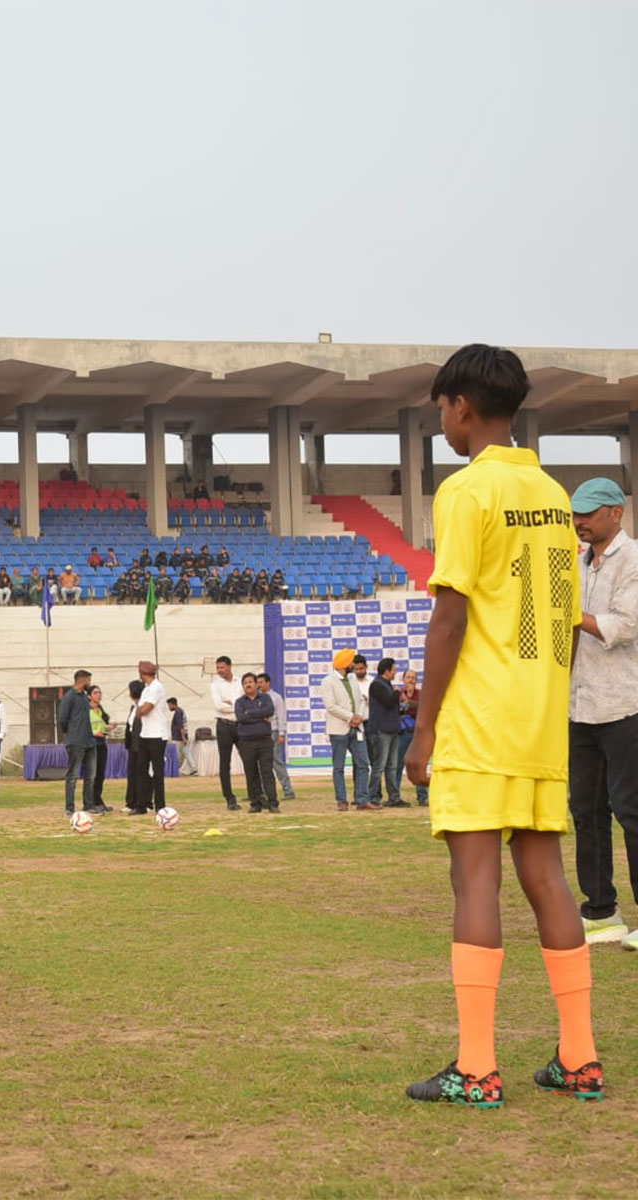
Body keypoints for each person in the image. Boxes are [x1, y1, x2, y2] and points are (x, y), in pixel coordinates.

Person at [402, 343, 601, 1107]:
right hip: (543, 712)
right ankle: (579, 1058)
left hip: (483, 714)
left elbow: (449, 615)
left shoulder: (468, 490)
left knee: (473, 876)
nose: (443, 423)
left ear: (461, 407)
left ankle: (477, 1067)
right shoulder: (552, 493)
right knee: (547, 875)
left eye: (442, 410)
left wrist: (424, 730)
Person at [564, 477, 638, 949]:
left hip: (626, 704)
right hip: (580, 705)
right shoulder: (576, 563)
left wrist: (568, 611)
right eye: (576, 514)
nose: (580, 522)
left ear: (618, 513)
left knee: (632, 811)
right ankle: (600, 912)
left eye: (589, 514)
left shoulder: (633, 560)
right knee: (585, 811)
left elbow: (625, 626)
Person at [322, 648, 373, 810]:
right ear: (344, 664)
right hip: (339, 729)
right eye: (351, 662)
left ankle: (362, 800)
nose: (353, 664)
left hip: (357, 727)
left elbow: (361, 700)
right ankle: (342, 801)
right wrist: (350, 717)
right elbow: (330, 706)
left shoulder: (352, 679)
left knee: (363, 764)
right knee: (339, 767)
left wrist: (358, 716)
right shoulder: (328, 681)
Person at [234, 672, 279, 813]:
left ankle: (273, 803)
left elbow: (270, 710)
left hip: (264, 741)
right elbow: (241, 717)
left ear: (256, 684)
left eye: (250, 682)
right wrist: (260, 715)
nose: (248, 684)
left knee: (267, 772)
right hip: (246, 742)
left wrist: (250, 713)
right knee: (251, 773)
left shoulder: (265, 698)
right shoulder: (240, 702)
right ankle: (255, 803)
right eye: (245, 683)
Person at [367, 657, 407, 807]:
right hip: (381, 731)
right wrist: (397, 693)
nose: (395, 673)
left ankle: (394, 797)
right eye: (394, 670)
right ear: (387, 671)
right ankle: (373, 797)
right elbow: (389, 702)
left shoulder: (387, 685)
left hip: (392, 730)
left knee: (392, 766)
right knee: (379, 766)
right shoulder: (376, 685)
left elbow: (392, 705)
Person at [134, 661, 170, 815]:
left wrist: (140, 710)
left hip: (157, 734)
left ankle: (160, 804)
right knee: (141, 770)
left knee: (157, 771)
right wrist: (140, 710)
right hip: (145, 733)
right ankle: (141, 804)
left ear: (142, 673)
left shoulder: (156, 687)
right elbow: (139, 709)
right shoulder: (146, 689)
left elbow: (145, 709)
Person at [58, 669, 95, 816]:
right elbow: (62, 719)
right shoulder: (69, 697)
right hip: (76, 741)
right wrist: (72, 733)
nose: (90, 683)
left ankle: (88, 805)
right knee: (72, 776)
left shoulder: (85, 697)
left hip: (90, 742)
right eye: (89, 680)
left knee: (90, 776)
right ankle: (70, 807)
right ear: (83, 680)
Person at [209, 656, 242, 810]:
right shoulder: (215, 685)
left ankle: (257, 794)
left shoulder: (240, 681)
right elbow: (219, 706)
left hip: (241, 725)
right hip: (223, 725)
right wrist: (237, 704)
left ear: (229, 666)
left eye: (222, 667)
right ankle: (229, 798)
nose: (219, 670)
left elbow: (246, 702)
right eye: (218, 668)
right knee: (224, 763)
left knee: (249, 760)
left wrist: (231, 702)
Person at [256, 674, 295, 802]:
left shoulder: (276, 697)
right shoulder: (257, 698)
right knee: (260, 764)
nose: (259, 685)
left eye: (261, 682)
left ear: (268, 683)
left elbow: (281, 716)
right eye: (258, 683)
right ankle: (261, 792)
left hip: (273, 732)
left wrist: (282, 733)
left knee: (276, 762)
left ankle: (288, 790)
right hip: (260, 733)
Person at [395, 669, 429, 807]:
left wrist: (407, 701)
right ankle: (395, 796)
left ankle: (422, 797)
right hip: (402, 734)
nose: (410, 680)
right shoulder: (397, 693)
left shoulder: (421, 694)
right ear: (403, 679)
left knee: (418, 764)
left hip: (417, 734)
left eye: (413, 677)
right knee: (397, 765)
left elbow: (423, 707)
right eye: (408, 677)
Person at [85, 685, 111, 814]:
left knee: (101, 774)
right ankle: (91, 802)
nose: (98, 695)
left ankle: (98, 800)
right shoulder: (86, 710)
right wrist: (95, 733)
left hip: (102, 743)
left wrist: (108, 728)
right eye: (95, 693)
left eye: (100, 693)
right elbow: (85, 727)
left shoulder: (100, 710)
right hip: (92, 743)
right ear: (89, 696)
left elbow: (102, 726)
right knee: (92, 775)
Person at [122, 680, 146, 813]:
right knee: (132, 774)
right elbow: (129, 726)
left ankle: (143, 802)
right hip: (132, 745)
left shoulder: (144, 706)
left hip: (141, 743)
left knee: (142, 774)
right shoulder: (133, 707)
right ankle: (130, 802)